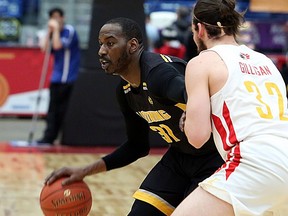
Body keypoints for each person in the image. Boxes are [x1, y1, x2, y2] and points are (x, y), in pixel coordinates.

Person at [44, 17, 223, 215]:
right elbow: (137, 146)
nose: (102, 51)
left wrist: (191, 107)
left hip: (216, 158)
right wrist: (85, 171)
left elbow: (193, 92)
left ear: (132, 45)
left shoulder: (158, 74)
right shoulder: (125, 91)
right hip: (179, 158)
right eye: (100, 44)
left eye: (110, 43)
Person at [172, 0, 288, 215]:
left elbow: (198, 138)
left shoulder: (202, 62)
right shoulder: (266, 62)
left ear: (199, 29)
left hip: (255, 161)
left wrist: (187, 117)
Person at [37, 7, 81, 145]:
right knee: (52, 110)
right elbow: (44, 48)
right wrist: (49, 31)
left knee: (63, 111)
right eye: (52, 18)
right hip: (56, 77)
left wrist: (55, 30)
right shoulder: (52, 32)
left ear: (63, 18)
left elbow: (57, 46)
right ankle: (49, 137)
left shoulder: (69, 31)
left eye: (57, 17)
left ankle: (64, 138)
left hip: (68, 78)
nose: (55, 20)